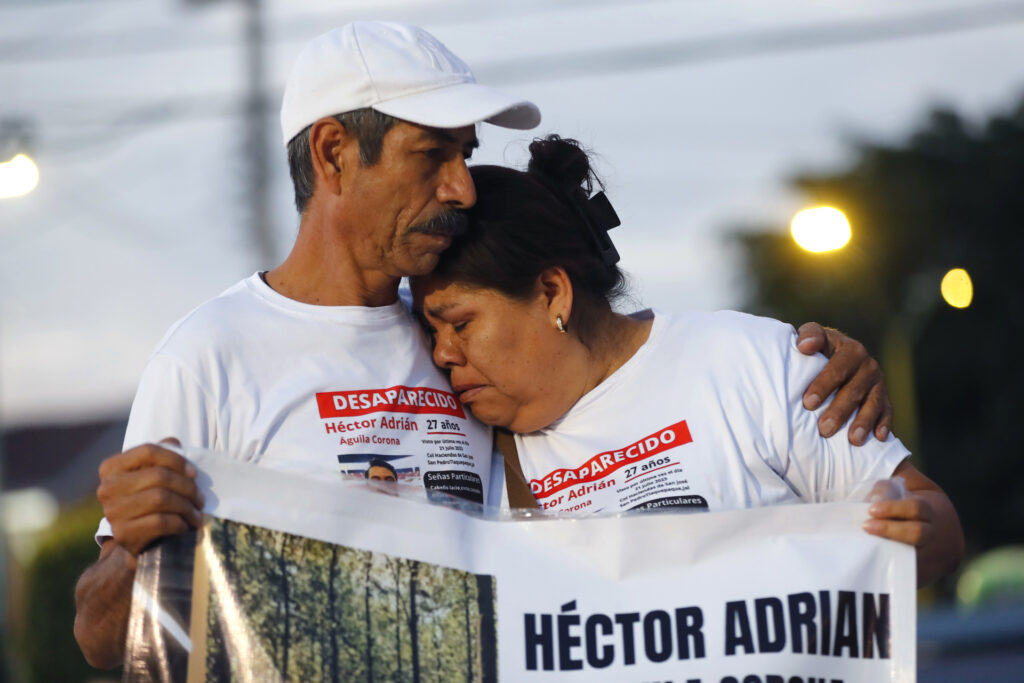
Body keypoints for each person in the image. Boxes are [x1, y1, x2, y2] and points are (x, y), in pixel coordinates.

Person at [74, 22, 893, 669]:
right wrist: (137, 546)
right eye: (433, 155)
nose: (461, 185)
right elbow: (104, 638)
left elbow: (620, 413)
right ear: (332, 153)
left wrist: (809, 375)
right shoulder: (208, 355)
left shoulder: (468, 346)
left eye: (464, 155)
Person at [411, 135, 964, 586]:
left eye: (460, 324)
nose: (442, 352)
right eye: (430, 330)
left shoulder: (749, 362)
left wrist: (917, 533)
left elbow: (931, 518)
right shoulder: (461, 441)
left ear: (554, 292)